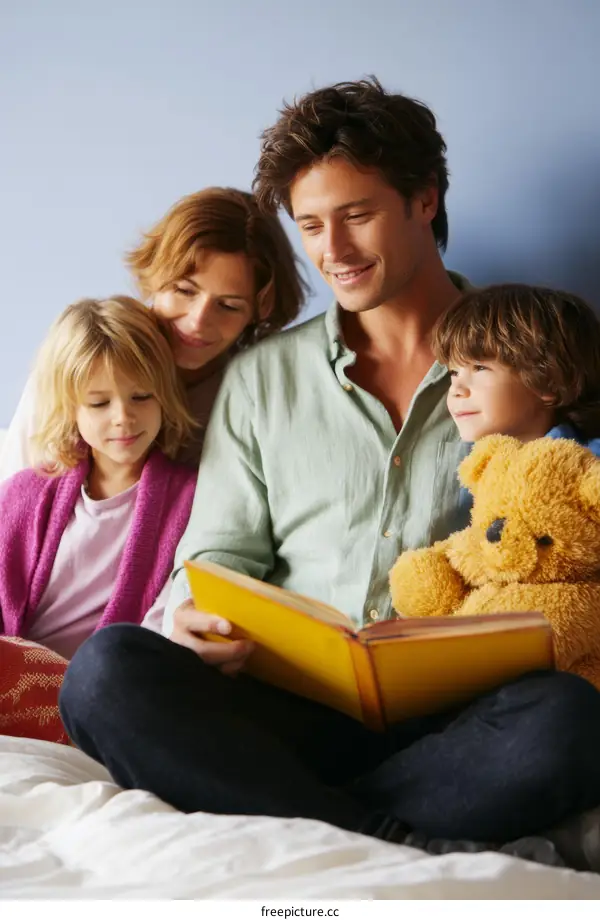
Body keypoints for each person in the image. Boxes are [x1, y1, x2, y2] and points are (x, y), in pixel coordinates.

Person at [59, 78, 600, 870]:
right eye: (310, 225)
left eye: (356, 216)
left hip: (458, 720)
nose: (333, 252)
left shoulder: (530, 359)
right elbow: (216, 559)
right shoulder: (260, 378)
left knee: (572, 719)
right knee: (106, 671)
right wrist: (192, 619)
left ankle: (302, 817)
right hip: (283, 706)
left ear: (424, 199)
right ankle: (390, 839)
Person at [0, 187, 307, 478]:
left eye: (228, 306)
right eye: (184, 290)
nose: (198, 321)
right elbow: (15, 495)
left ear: (258, 311)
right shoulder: (85, 355)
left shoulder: (257, 394)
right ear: (156, 275)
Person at [0, 296, 196, 659]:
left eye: (141, 396)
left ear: (165, 397)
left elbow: (163, 624)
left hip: (102, 686)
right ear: (70, 408)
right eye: (99, 403)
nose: (123, 416)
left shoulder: (190, 501)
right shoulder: (23, 494)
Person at [434, 282, 600, 449]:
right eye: (454, 372)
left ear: (548, 381)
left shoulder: (586, 467)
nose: (456, 390)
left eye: (479, 368)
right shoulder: (484, 465)